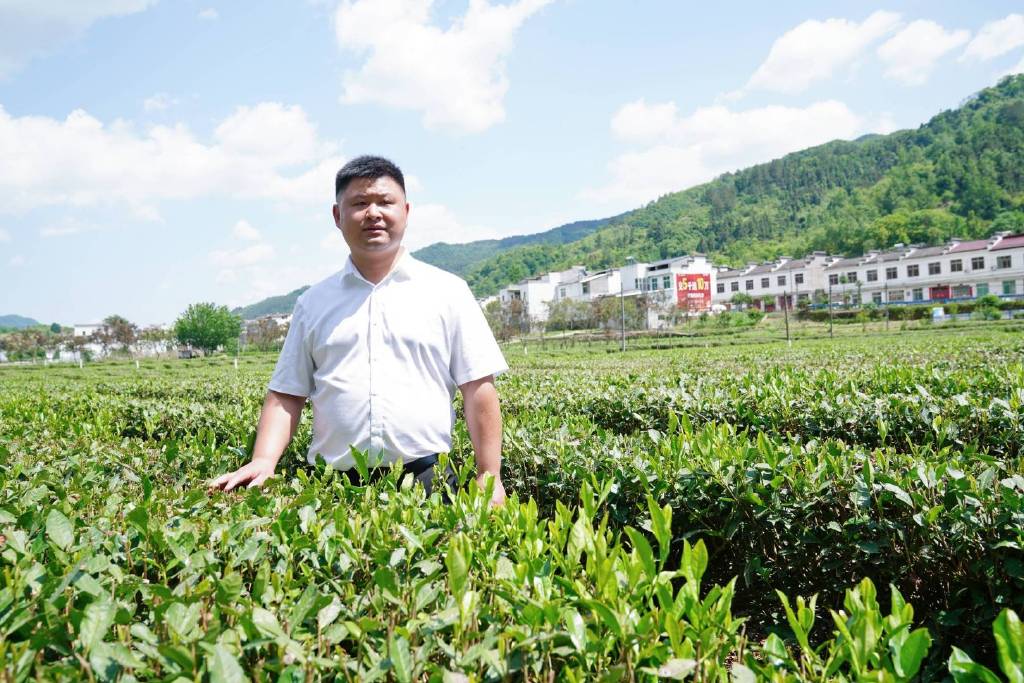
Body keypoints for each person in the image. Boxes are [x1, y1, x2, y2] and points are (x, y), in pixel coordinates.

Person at [210, 156, 508, 506]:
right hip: (332, 488)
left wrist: (489, 474)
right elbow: (287, 393)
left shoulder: (448, 292)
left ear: (406, 211)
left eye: (385, 202)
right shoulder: (312, 303)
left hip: (427, 479)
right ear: (337, 216)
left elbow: (477, 387)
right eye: (360, 203)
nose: (373, 213)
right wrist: (263, 459)